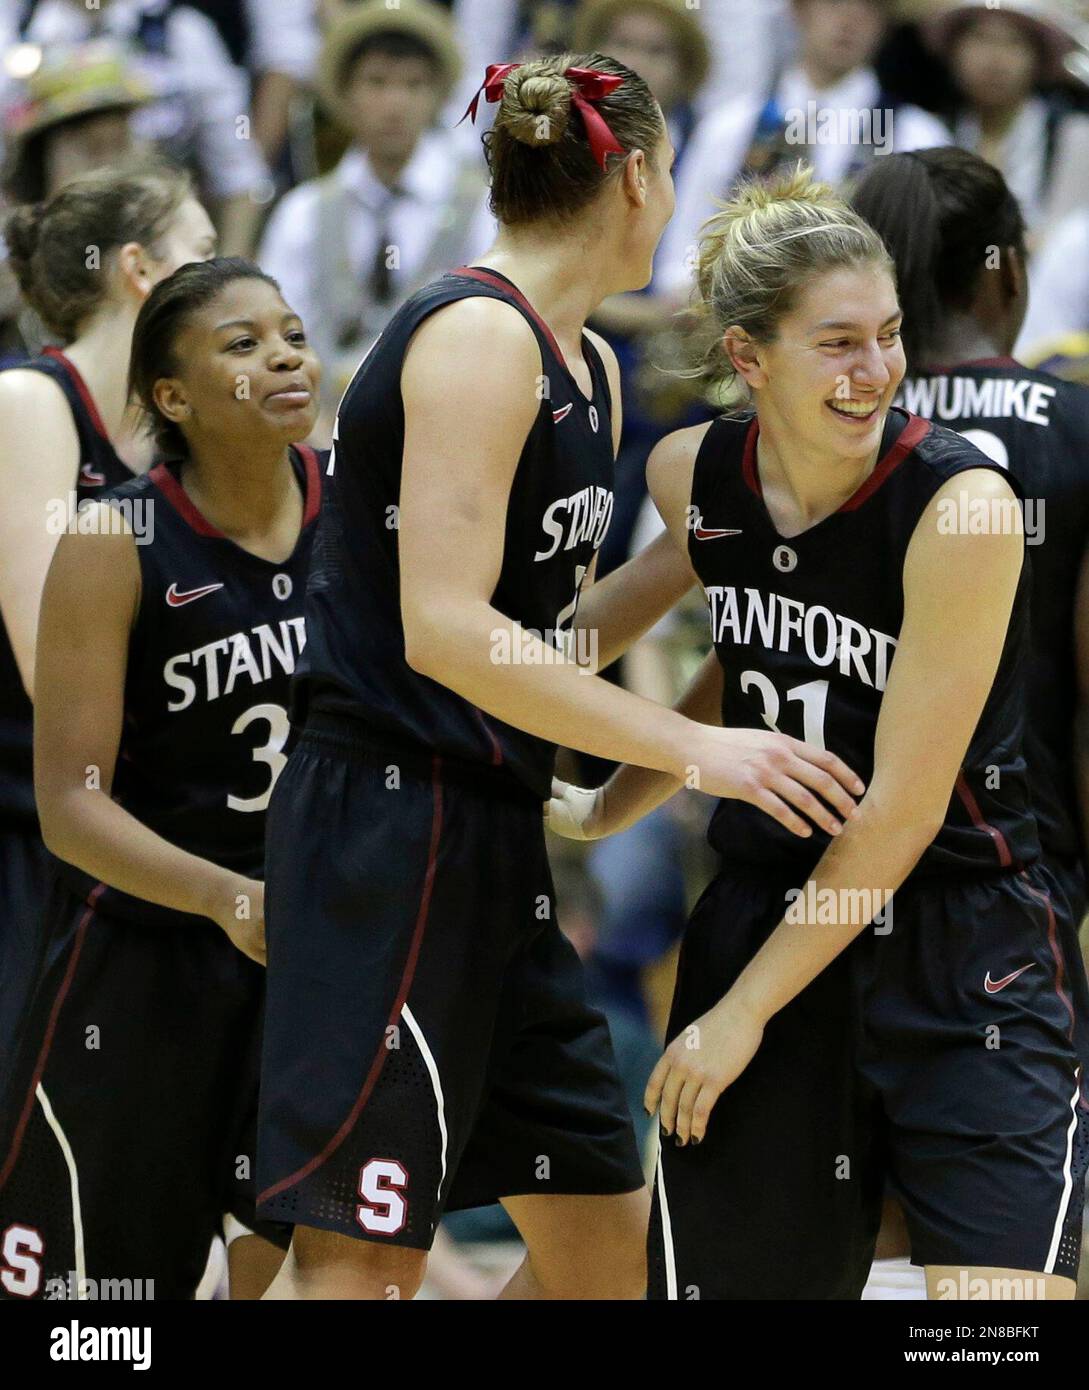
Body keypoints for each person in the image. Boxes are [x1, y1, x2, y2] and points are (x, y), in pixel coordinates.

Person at [255, 54, 862, 1301]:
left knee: (599, 1240)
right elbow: (445, 628)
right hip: (387, 823)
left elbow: (548, 629)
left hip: (491, 837)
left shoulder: (581, 360)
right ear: (637, 172)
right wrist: (703, 747)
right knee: (363, 1257)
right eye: (673, 173)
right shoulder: (480, 335)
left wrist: (708, 566)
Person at [550, 165, 1089, 1299]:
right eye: (839, 343)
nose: (879, 369)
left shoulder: (962, 505)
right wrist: (607, 797)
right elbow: (731, 659)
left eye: (889, 334)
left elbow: (898, 811)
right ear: (749, 358)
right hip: (762, 908)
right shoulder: (693, 470)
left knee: (995, 1321)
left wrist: (739, 1014)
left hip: (960, 936)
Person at [0, 257, 323, 1301]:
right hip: (148, 963)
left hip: (313, 956)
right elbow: (69, 805)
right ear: (171, 397)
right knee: (103, 1308)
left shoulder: (365, 511)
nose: (281, 354)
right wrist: (227, 897)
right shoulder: (115, 538)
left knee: (315, 1270)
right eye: (242, 343)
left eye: (291, 332)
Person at [0, 164, 216, 1066]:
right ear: (139, 267)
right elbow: (40, 654)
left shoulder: (184, 428)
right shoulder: (30, 402)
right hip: (29, 810)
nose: (221, 274)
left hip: (147, 800)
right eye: (202, 253)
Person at [851, 146, 1089, 937]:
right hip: (1011, 868)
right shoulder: (1078, 427)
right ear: (1007, 273)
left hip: (812, 869)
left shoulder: (810, 422)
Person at [258, 0, 491, 437]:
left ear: (439, 96)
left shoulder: (482, 205)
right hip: (320, 434)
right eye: (376, 82)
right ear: (346, 93)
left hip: (448, 428)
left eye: (413, 85)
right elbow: (274, 335)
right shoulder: (304, 211)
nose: (394, 103)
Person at [656, 0, 950, 301]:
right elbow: (680, 261)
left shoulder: (916, 136)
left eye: (869, 7)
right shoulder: (731, 126)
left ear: (884, 24)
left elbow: (930, 269)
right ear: (799, 10)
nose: (849, 19)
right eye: (832, 4)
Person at [8, 0, 273, 255]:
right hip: (51, 254)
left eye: (115, 141)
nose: (103, 157)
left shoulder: (179, 32)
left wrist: (216, 282)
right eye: (91, 147)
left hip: (161, 243)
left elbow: (241, 182)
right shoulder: (13, 34)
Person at [921, 0, 1089, 241]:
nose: (996, 59)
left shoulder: (1077, 138)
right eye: (981, 38)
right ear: (954, 51)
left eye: (1014, 42)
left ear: (1038, 57)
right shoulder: (923, 131)